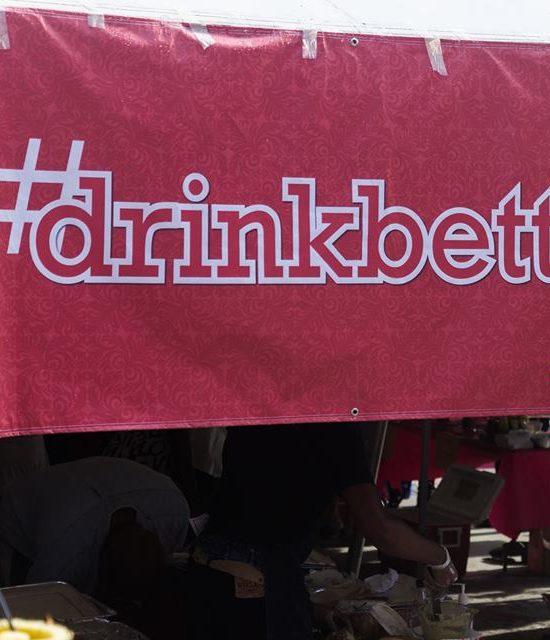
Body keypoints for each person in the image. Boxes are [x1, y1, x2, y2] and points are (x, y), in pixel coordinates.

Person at [187, 422, 457, 640]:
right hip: (256, 576)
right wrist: (440, 558)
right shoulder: (333, 423)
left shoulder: (271, 403)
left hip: (210, 564)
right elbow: (379, 528)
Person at [0, 456, 190, 598]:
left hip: (84, 491)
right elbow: (32, 606)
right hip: (19, 506)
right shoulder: (63, 554)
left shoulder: (174, 514)